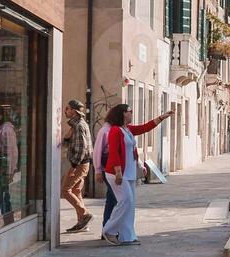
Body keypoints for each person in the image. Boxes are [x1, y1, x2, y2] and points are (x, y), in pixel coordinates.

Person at [100, 103, 173, 245]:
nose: (132, 113)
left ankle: (127, 236)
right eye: (130, 111)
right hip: (117, 173)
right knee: (125, 202)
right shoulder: (115, 131)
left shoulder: (127, 130)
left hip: (130, 172)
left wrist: (162, 117)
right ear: (122, 114)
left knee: (130, 204)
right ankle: (109, 230)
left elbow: (145, 127)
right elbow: (114, 152)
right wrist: (118, 172)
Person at [61, 99, 93, 233]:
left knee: (65, 190)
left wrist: (74, 166)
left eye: (67, 108)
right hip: (83, 163)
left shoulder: (79, 125)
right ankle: (81, 222)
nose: (65, 111)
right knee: (76, 191)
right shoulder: (77, 125)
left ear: (73, 111)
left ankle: (85, 214)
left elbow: (82, 148)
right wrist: (67, 138)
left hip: (80, 164)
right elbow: (71, 144)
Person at [0, 106, 18, 221]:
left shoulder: (7, 129)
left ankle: (8, 220)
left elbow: (12, 151)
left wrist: (10, 171)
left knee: (2, 195)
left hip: (2, 168)